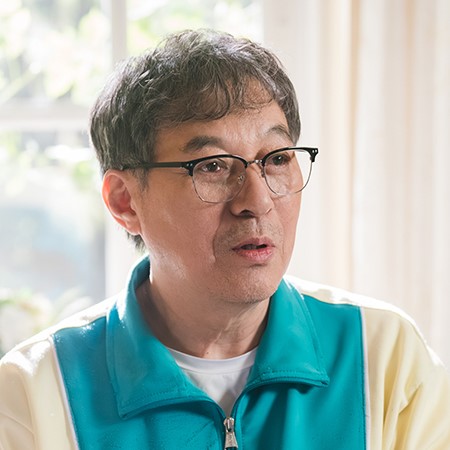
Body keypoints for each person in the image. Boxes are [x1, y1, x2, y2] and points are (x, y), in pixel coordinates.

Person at [0, 29, 449, 450]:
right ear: (125, 201)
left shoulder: (385, 358)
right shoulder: (37, 393)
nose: (257, 201)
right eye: (212, 166)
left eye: (276, 158)